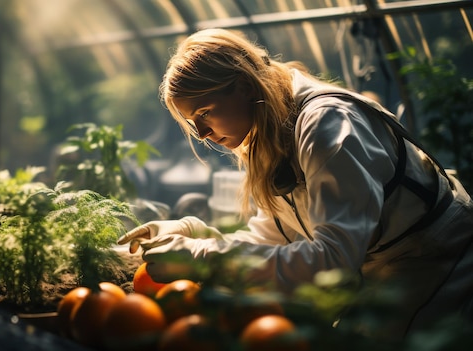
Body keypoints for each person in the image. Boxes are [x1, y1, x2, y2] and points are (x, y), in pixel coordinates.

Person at [117, 28, 473, 338]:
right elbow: (275, 238)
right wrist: (196, 235)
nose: (203, 134)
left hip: (435, 262)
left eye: (204, 112)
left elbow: (333, 258)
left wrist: (205, 258)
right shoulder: (271, 130)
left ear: (242, 85)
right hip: (385, 270)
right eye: (192, 122)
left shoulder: (327, 125)